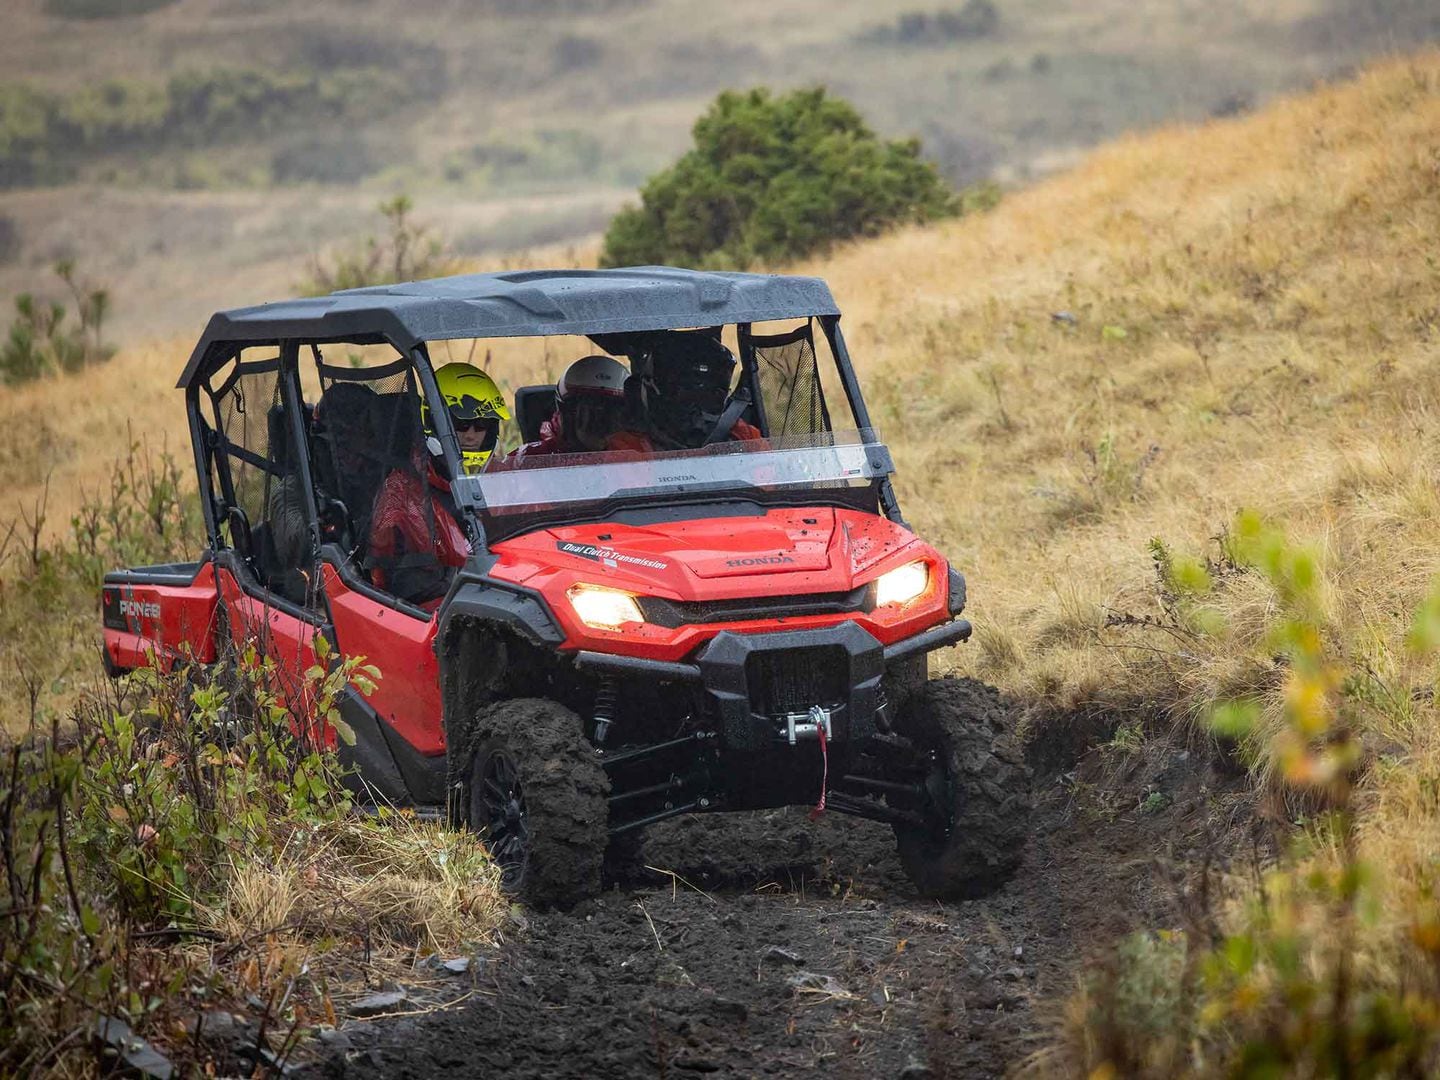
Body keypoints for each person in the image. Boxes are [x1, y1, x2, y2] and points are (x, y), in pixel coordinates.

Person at [367, 363, 508, 605]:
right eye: (460, 424)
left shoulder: (502, 482)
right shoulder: (402, 499)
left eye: (482, 424)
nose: (471, 435)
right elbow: (414, 593)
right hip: (431, 619)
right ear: (432, 421)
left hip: (496, 601)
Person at [507, 354, 653, 462]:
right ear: (566, 414)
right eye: (588, 410)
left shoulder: (640, 456)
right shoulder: (529, 460)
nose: (598, 421)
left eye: (609, 411)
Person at [643, 333, 762, 450]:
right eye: (687, 395)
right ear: (653, 393)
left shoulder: (745, 439)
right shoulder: (631, 448)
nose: (698, 413)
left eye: (713, 396)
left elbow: (769, 466)